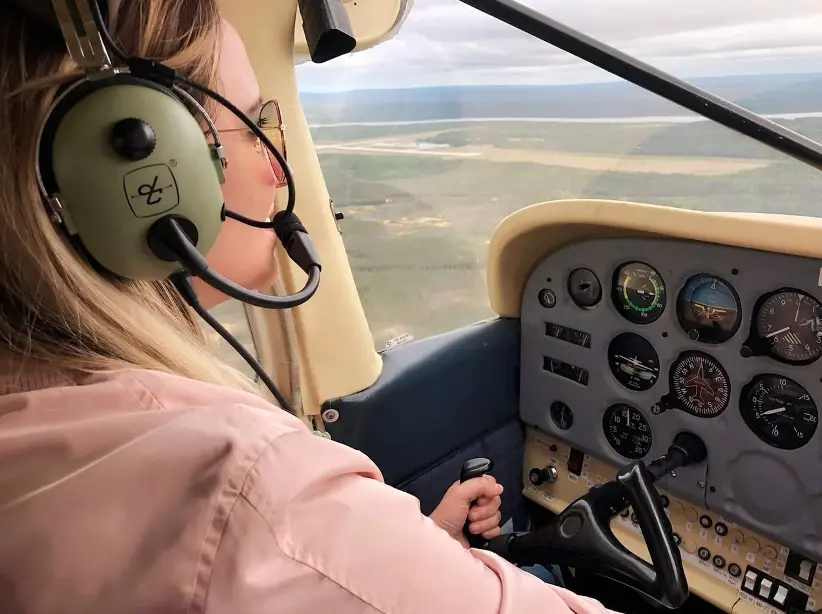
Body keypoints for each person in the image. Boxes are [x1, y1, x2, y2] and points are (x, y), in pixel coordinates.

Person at [0, 1, 617, 613]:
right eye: (252, 123)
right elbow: (276, 552)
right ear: (130, 174)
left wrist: (415, 558)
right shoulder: (240, 486)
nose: (277, 166)